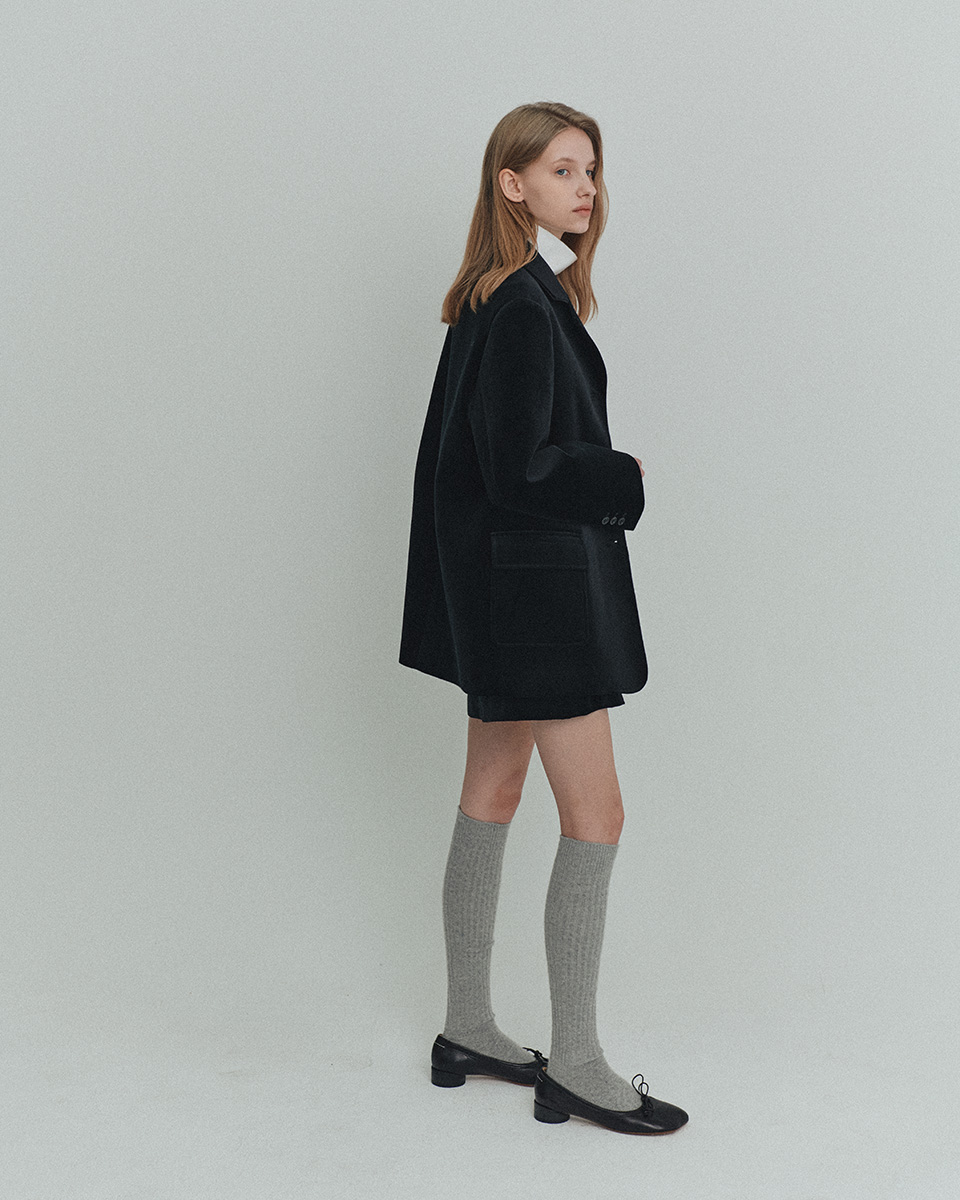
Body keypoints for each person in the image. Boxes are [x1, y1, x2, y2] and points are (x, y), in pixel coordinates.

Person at [399, 101, 688, 1135]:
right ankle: (578, 1064)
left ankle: (468, 1028)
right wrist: (618, 476)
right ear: (512, 183)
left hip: (500, 597)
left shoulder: (499, 293)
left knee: (491, 793)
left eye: (592, 171)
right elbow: (518, 469)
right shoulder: (522, 305)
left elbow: (476, 468)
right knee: (596, 818)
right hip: (539, 606)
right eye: (564, 170)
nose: (587, 188)